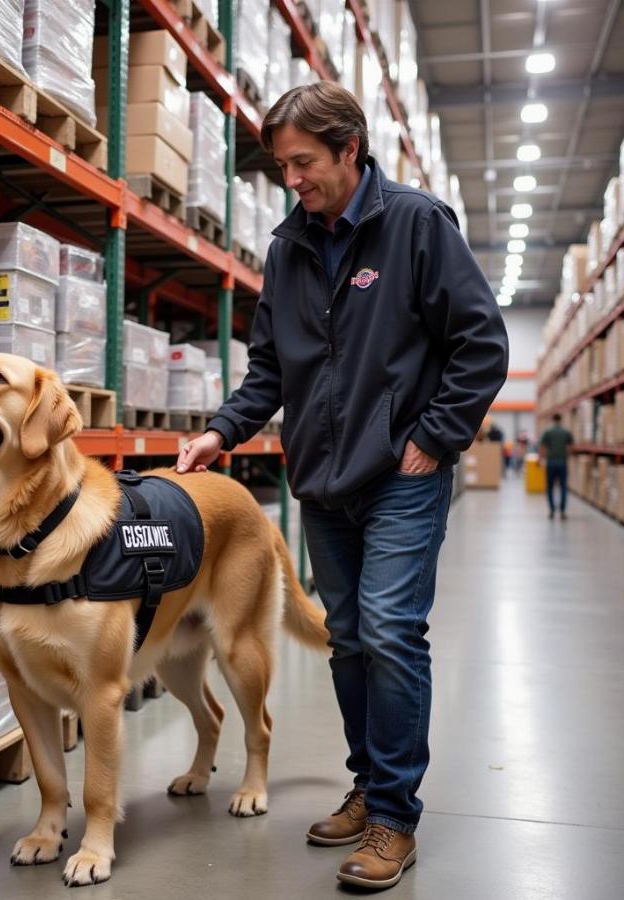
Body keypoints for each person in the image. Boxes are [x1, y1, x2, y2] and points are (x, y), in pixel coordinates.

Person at [175, 82, 509, 891]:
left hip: (400, 472)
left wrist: (434, 436)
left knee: (393, 630)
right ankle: (367, 787)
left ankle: (395, 817)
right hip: (321, 480)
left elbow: (480, 342)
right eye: (282, 166)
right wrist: (221, 430)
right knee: (349, 636)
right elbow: (269, 369)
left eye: (303, 162)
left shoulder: (416, 225)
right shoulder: (289, 247)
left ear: (349, 148)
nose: (292, 179)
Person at [539, 413, 574, 519]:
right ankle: (563, 511)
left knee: (550, 487)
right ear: (561, 420)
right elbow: (570, 448)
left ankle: (552, 510)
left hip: (551, 463)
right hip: (562, 462)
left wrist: (540, 458)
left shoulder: (548, 432)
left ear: (553, 420)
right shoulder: (566, 432)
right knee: (563, 487)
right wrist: (566, 457)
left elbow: (543, 447)